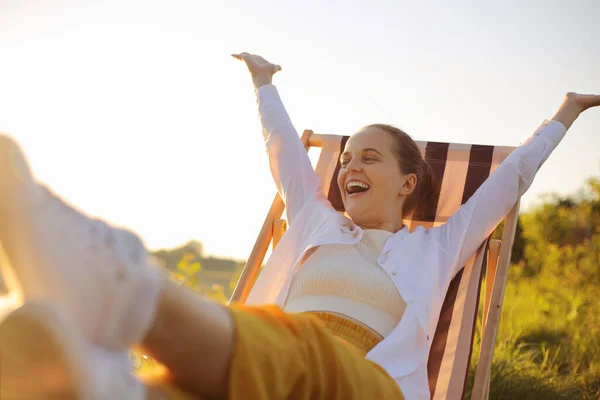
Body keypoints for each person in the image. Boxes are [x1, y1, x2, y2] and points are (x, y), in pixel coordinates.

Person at [0, 53, 598, 400]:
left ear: (408, 182)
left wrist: (565, 114)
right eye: (344, 158)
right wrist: (264, 82)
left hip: (371, 389)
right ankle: (92, 384)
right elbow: (285, 148)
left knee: (300, 346)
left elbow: (511, 177)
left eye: (368, 157)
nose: (347, 166)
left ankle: (118, 287)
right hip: (272, 375)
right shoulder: (315, 221)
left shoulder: (441, 244)